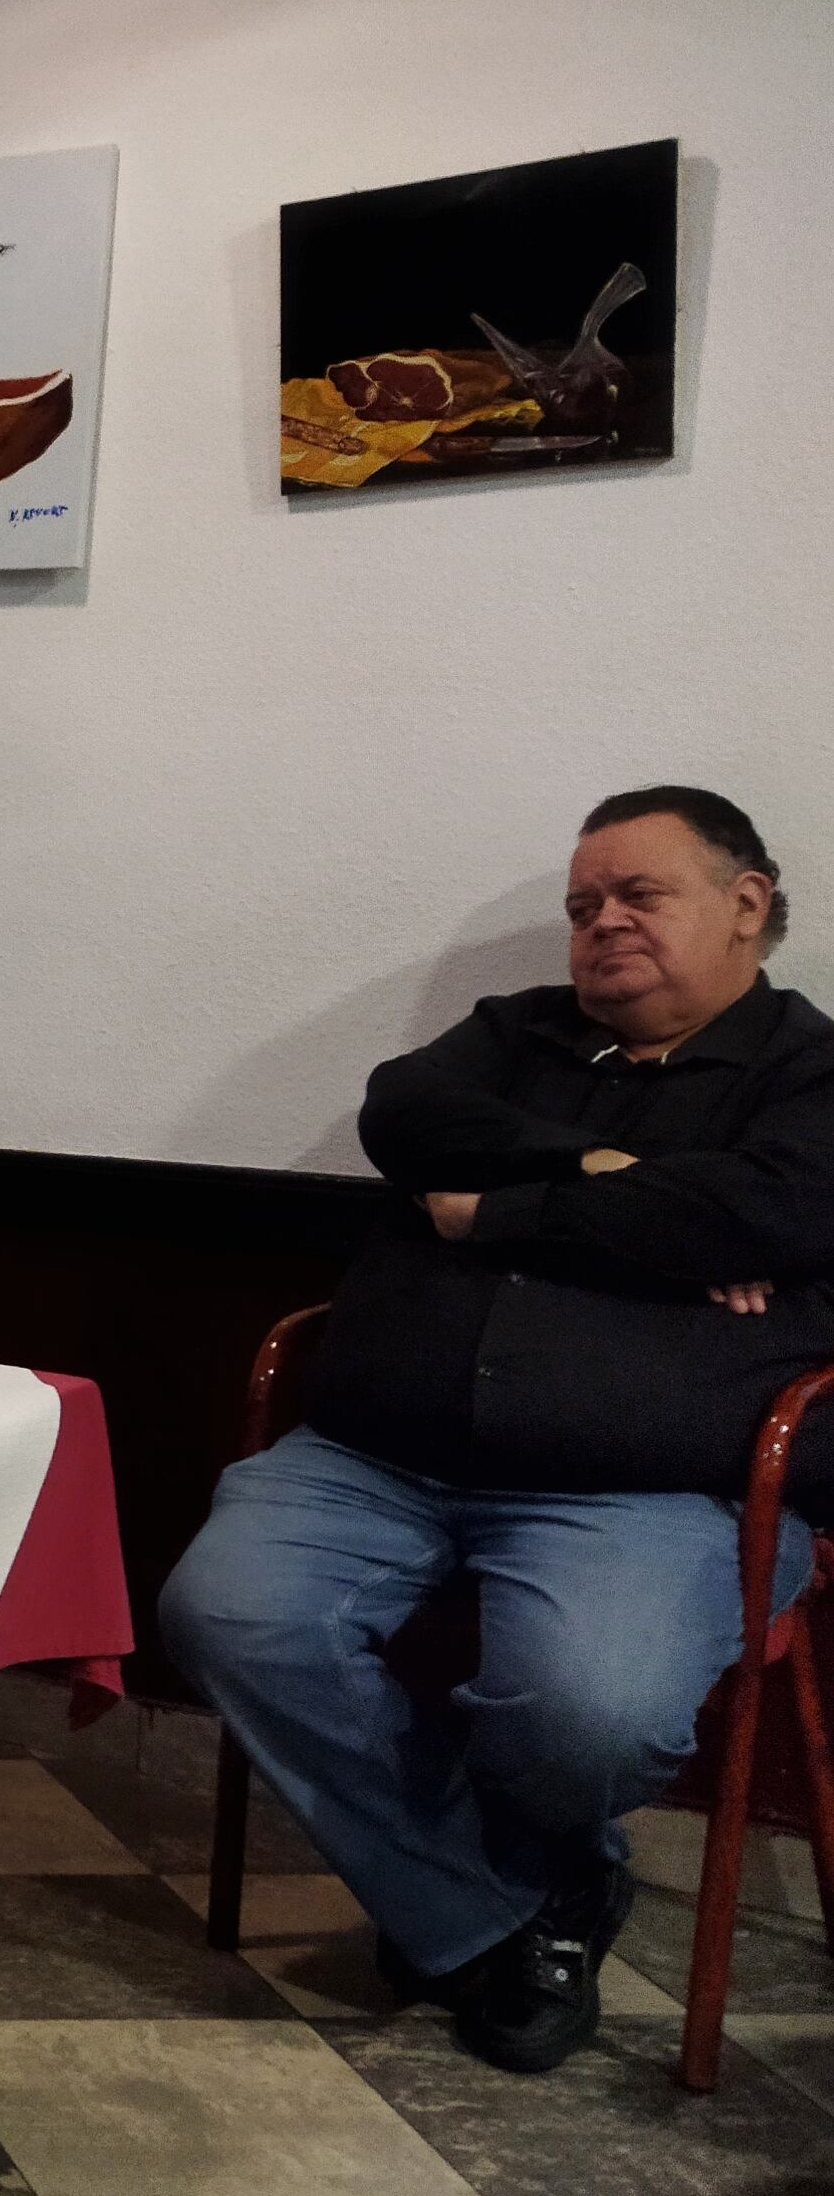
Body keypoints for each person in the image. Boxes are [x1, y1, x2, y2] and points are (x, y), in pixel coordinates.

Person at [162, 788, 834, 2076]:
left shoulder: (812, 1077)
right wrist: (622, 1187)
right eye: (584, 905)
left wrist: (500, 1209)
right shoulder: (509, 1036)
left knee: (589, 1712)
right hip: (375, 1455)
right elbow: (402, 1117)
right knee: (229, 1614)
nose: (602, 925)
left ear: (747, 903)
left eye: (640, 895)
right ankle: (510, 1908)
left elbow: (778, 1212)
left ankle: (469, 1895)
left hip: (649, 1488)